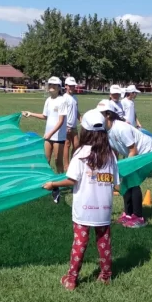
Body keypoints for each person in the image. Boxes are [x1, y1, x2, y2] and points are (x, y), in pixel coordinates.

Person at [42, 109, 119, 290]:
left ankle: (71, 280)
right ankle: (105, 276)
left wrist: (53, 184)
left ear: (84, 131)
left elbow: (71, 179)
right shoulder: (111, 155)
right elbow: (115, 183)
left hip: (84, 209)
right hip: (104, 209)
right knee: (104, 242)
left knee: (79, 243)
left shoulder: (80, 154)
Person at [97, 100, 152, 228]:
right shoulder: (106, 130)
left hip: (147, 151)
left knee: (132, 181)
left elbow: (133, 150)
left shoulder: (121, 128)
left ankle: (139, 217)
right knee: (125, 182)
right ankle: (128, 214)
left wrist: (125, 169)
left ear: (108, 115)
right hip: (134, 152)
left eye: (99, 113)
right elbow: (113, 150)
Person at [22, 77, 69, 203]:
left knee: (58, 162)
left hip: (58, 137)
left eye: (54, 85)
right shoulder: (48, 100)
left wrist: (50, 133)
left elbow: (61, 121)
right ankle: (44, 183)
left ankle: (58, 186)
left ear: (59, 87)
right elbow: (45, 116)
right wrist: (30, 113)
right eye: (50, 85)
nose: (51, 87)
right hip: (48, 136)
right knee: (46, 160)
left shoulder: (62, 101)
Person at [62, 76, 80, 173]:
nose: (72, 87)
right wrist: (65, 126)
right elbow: (62, 114)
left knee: (77, 146)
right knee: (67, 145)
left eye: (73, 86)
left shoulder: (75, 98)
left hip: (74, 126)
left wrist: (81, 119)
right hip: (67, 126)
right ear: (66, 86)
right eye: (70, 86)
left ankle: (73, 163)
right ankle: (66, 166)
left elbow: (77, 111)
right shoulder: (64, 98)